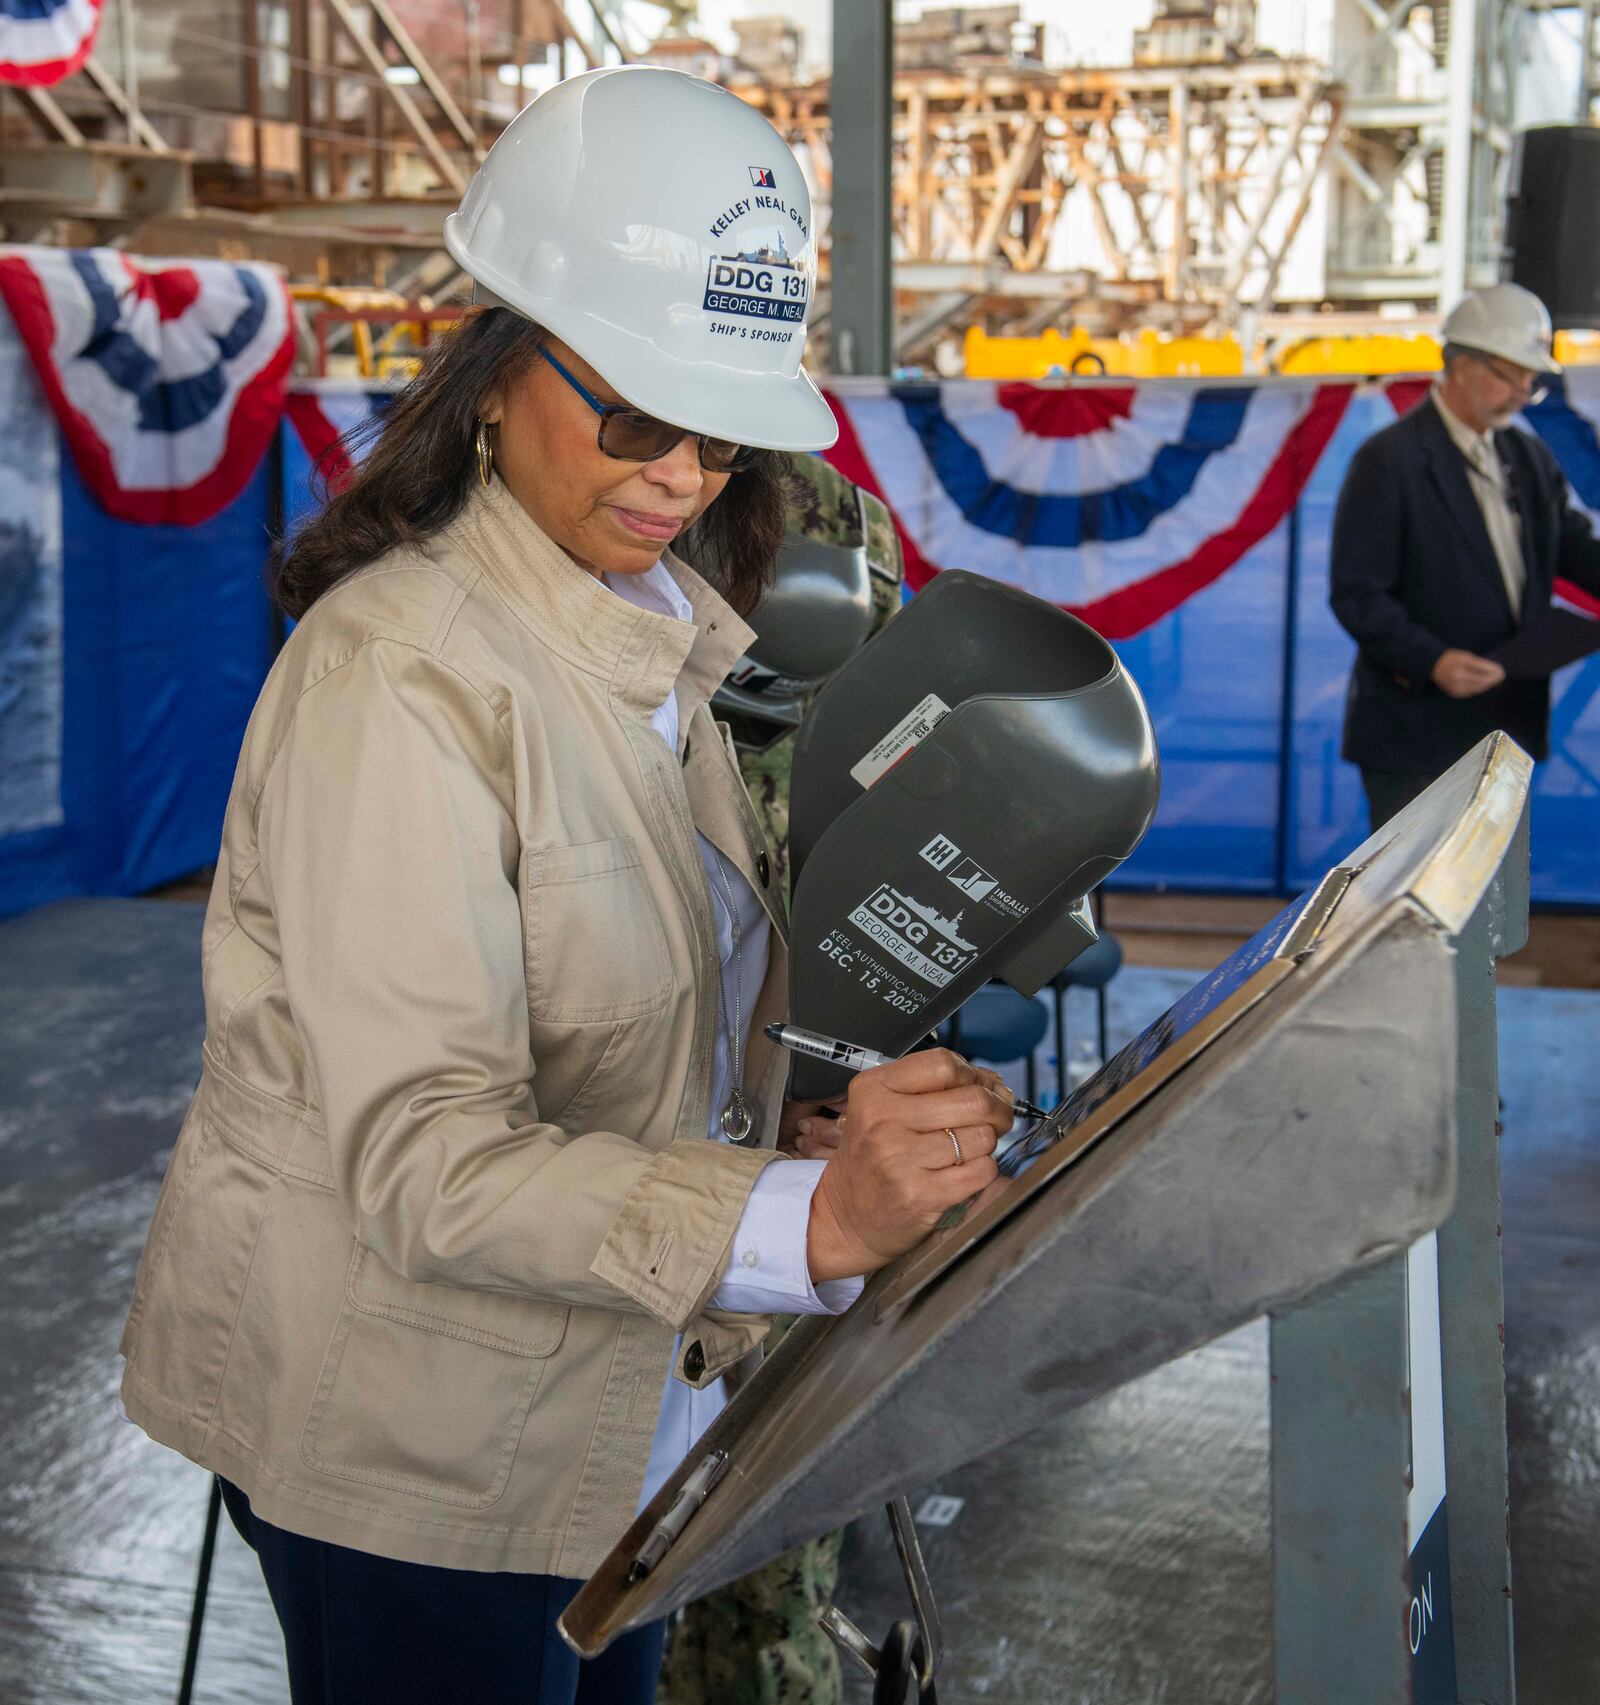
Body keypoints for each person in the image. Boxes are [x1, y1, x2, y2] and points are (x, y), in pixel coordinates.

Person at [117, 67, 1011, 1705]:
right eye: (633, 415)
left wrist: (801, 1141)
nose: (681, 472)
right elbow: (426, 1161)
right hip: (422, 1457)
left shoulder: (644, 634)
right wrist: (800, 1220)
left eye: (720, 432)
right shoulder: (400, 675)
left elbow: (636, 1023)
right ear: (496, 365)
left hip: (610, 1421)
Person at [659, 460, 904, 1705]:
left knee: (773, 1520)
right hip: (619, 1106)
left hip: (795, 1057)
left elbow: (909, 776)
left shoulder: (838, 518)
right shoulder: (553, 492)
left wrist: (862, 1063)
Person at [1329, 282, 1600, 827]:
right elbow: (1357, 593)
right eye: (1509, 374)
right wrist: (1432, 660)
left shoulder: (1526, 456)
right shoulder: (1388, 461)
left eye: (1530, 379)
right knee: (1415, 904)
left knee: (1490, 900)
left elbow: (1572, 546)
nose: (1523, 392)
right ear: (1458, 365)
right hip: (1415, 737)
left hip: (1506, 727)